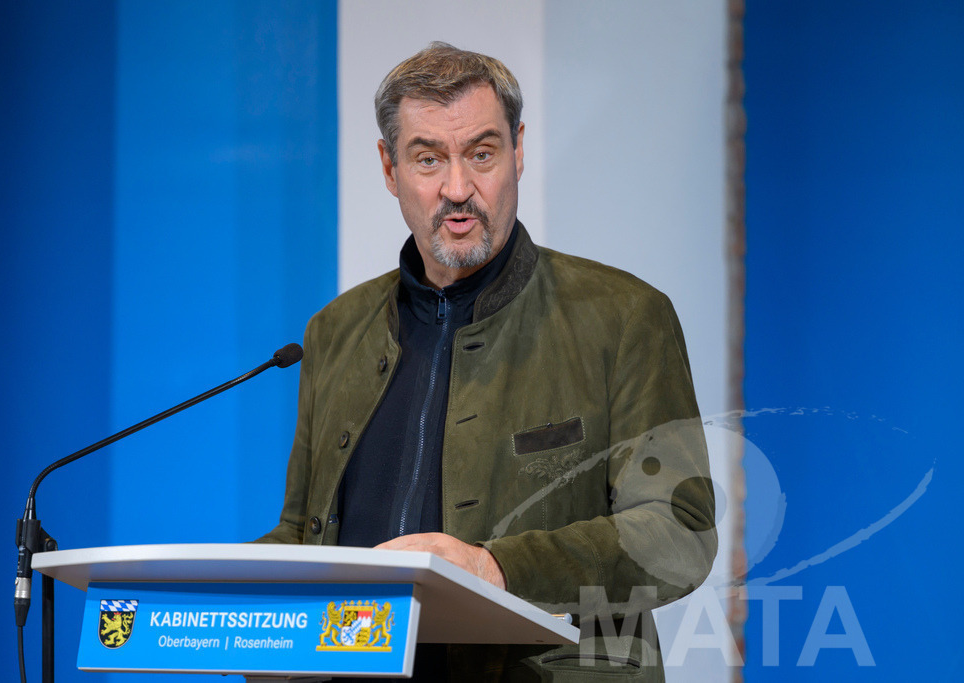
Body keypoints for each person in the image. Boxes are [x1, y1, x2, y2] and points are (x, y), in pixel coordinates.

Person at [259, 42, 717, 681]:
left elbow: (679, 532)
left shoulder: (624, 317)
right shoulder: (334, 332)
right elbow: (301, 537)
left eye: (481, 153)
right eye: (427, 159)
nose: (457, 189)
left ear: (518, 152)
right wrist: (211, 602)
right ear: (389, 169)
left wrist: (496, 570)